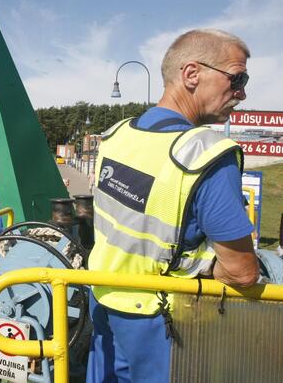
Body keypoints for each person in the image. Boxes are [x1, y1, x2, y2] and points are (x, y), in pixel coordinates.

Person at [87, 29, 260, 383]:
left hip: (102, 300)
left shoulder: (116, 136)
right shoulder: (205, 155)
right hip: (163, 323)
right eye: (237, 78)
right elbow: (243, 272)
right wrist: (210, 269)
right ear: (191, 74)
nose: (242, 92)